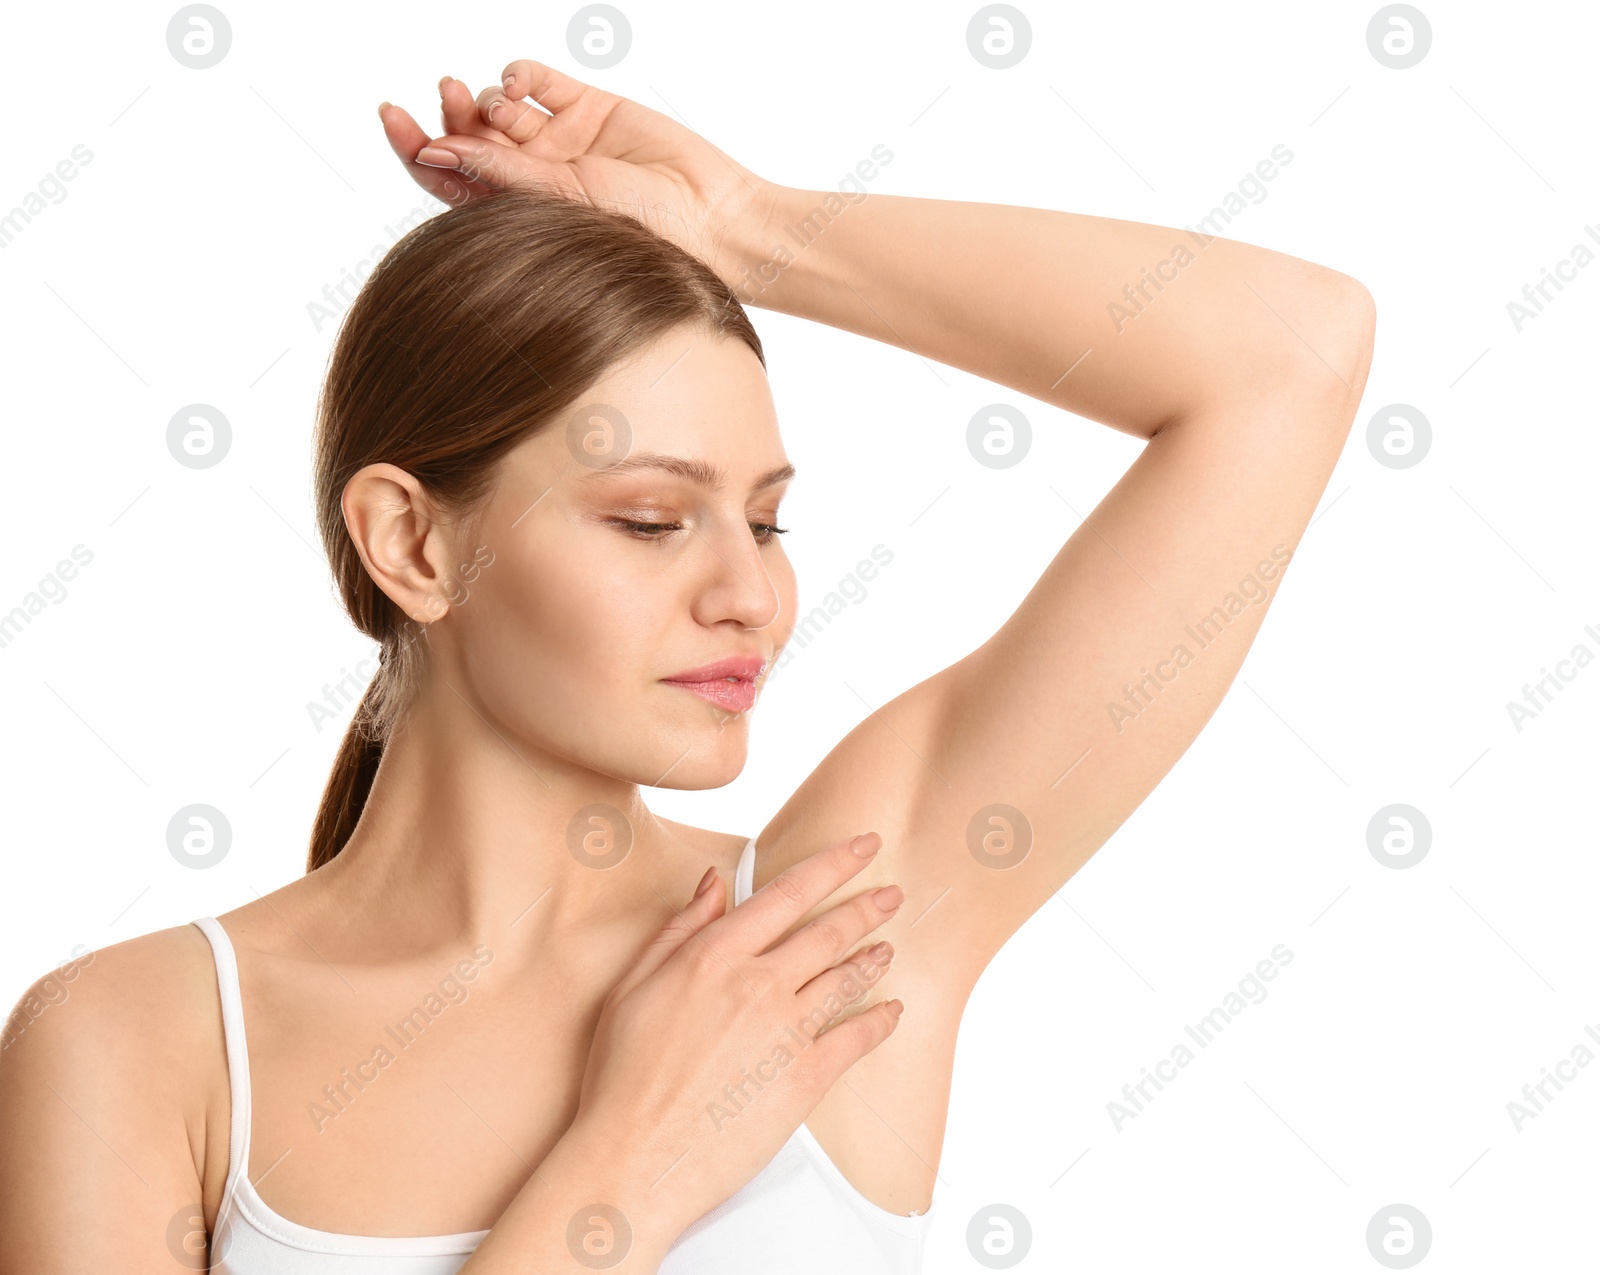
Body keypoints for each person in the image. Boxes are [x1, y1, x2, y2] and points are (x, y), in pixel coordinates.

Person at [0, 57, 1375, 1274]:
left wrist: (749, 231)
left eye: (767, 521)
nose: (752, 596)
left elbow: (1286, 358)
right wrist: (620, 1179)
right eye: (653, 520)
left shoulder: (834, 930)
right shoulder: (136, 1046)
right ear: (413, 545)